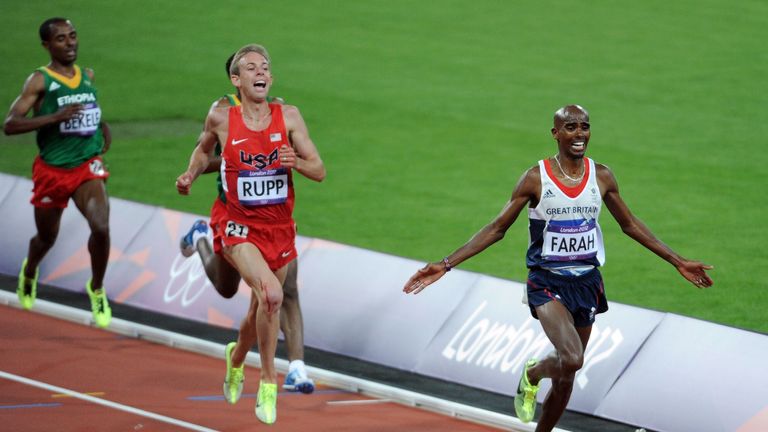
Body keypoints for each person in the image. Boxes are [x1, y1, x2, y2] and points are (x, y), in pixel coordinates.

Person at [403, 105, 713, 431]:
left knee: (567, 376)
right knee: (573, 358)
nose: (579, 134)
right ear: (556, 133)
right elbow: (497, 229)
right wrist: (446, 264)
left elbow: (630, 224)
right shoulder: (535, 178)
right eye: (570, 127)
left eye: (584, 127)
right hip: (545, 282)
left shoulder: (602, 176)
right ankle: (536, 372)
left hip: (587, 282)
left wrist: (678, 261)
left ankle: (536, 383)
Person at [176, 44, 325, 425]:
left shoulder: (288, 116)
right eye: (251, 68)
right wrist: (191, 175)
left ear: (270, 78)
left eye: (266, 67)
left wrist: (298, 164)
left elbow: (319, 169)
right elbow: (201, 150)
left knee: (261, 306)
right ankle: (269, 383)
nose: (261, 72)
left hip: (277, 226)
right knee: (273, 294)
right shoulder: (222, 117)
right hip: (235, 223)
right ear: (236, 79)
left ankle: (237, 358)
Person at [3, 17, 112, 328]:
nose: (70, 43)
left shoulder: (86, 75)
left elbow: (89, 110)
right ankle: (30, 270)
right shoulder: (39, 81)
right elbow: (10, 124)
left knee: (101, 226)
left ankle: (97, 288)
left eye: (73, 36)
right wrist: (54, 117)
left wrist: (101, 127)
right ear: (47, 45)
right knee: (46, 238)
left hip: (85, 167)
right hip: (52, 170)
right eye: (62, 39)